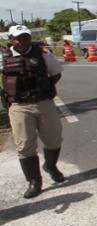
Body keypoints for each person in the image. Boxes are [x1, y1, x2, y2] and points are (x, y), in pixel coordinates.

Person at [1, 25, 66, 199]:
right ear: (11, 39)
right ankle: (34, 181)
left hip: (43, 102)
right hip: (19, 106)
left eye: (25, 38)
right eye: (18, 38)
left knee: (54, 139)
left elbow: (56, 73)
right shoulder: (3, 57)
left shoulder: (43, 54)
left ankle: (51, 166)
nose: (22, 41)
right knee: (24, 145)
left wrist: (44, 87)